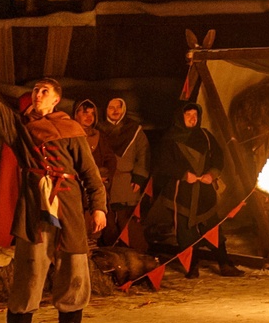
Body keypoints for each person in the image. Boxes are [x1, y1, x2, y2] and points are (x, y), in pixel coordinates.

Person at [0, 71, 106, 323]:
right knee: (30, 271)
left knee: (74, 270)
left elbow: (89, 172)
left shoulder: (71, 129)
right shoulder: (19, 127)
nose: (38, 94)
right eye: (35, 90)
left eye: (44, 91)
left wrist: (98, 206)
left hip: (68, 206)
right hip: (35, 206)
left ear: (56, 99)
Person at [149, 103, 241, 278]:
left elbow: (218, 156)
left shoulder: (205, 136)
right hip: (181, 193)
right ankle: (191, 266)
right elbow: (163, 164)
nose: (192, 118)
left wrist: (212, 174)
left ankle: (224, 263)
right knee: (185, 232)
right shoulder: (169, 140)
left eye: (195, 115)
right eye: (188, 115)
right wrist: (183, 174)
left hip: (205, 192)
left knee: (213, 227)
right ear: (179, 117)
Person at [95, 95, 149, 247]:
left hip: (127, 181)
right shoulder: (98, 130)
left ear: (124, 109)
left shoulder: (134, 130)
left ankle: (137, 254)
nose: (115, 110)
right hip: (105, 181)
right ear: (105, 110)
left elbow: (143, 154)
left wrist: (139, 177)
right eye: (111, 107)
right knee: (108, 219)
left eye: (118, 107)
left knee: (128, 220)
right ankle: (111, 255)